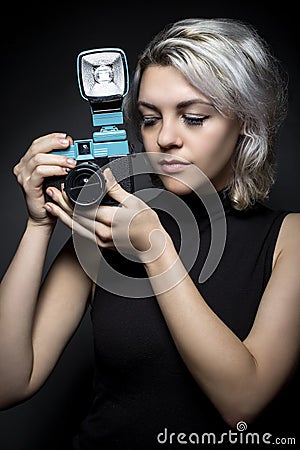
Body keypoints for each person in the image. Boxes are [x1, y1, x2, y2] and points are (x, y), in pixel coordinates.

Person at [0, 17, 299, 449]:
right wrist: (38, 224)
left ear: (246, 125)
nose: (166, 138)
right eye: (148, 118)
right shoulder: (105, 229)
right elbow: (9, 383)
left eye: (193, 118)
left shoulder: (289, 239)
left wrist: (156, 249)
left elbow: (242, 403)